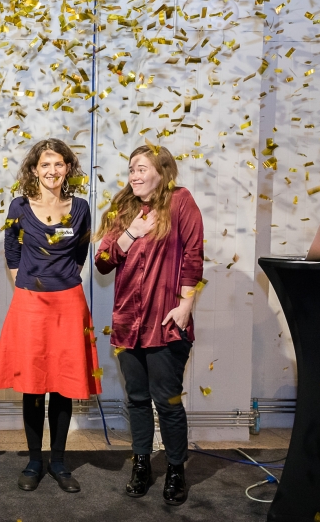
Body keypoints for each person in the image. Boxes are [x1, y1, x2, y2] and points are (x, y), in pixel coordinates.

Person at [94, 144, 203, 506]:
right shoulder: (124, 208)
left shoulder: (181, 201)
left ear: (162, 171)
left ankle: (175, 469)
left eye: (142, 168)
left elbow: (193, 254)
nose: (134, 175)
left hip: (166, 321)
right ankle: (141, 465)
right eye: (131, 169)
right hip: (127, 324)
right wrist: (132, 232)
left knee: (167, 401)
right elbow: (103, 261)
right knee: (137, 399)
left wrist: (186, 305)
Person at [0, 139, 101, 493]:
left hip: (69, 304)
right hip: (30, 305)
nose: (52, 171)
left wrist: (60, 283)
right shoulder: (20, 206)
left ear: (67, 168)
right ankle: (34, 461)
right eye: (45, 165)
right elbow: (11, 249)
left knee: (64, 385)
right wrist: (26, 284)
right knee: (33, 385)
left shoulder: (81, 207)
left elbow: (81, 252)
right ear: (35, 170)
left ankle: (58, 462)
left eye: (58, 164)